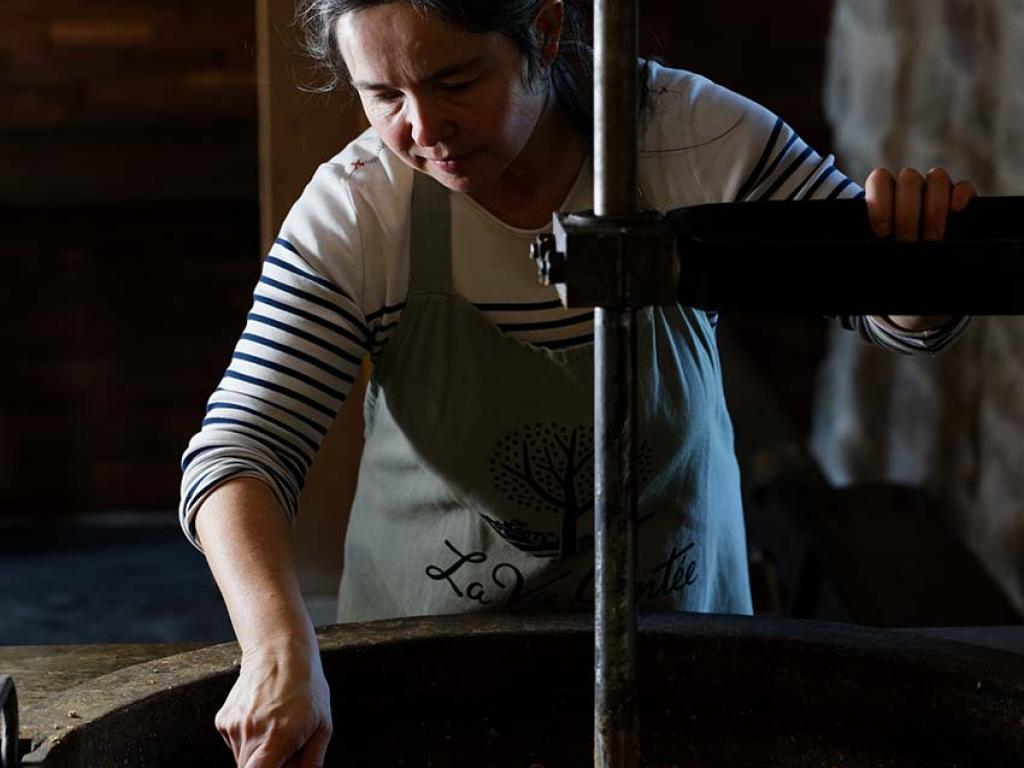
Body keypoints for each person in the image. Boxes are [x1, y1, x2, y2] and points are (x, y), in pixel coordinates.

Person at [178, 1, 976, 765]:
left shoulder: (687, 135)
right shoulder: (360, 207)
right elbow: (241, 449)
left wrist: (913, 270)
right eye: (382, 95)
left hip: (688, 663)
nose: (422, 131)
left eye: (456, 82)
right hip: (428, 682)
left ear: (547, 29)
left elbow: (876, 308)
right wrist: (280, 647)